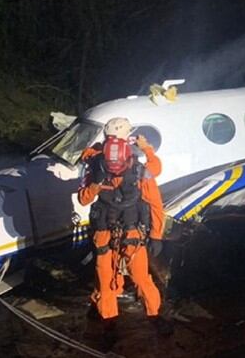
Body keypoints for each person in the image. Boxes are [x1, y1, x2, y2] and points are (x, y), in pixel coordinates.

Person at [78, 117, 172, 335]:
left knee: (125, 278)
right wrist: (156, 235)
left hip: (123, 232)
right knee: (112, 280)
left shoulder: (101, 163)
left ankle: (144, 316)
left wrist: (156, 235)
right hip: (116, 232)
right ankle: (110, 322)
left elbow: (84, 198)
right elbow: (155, 203)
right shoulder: (132, 170)